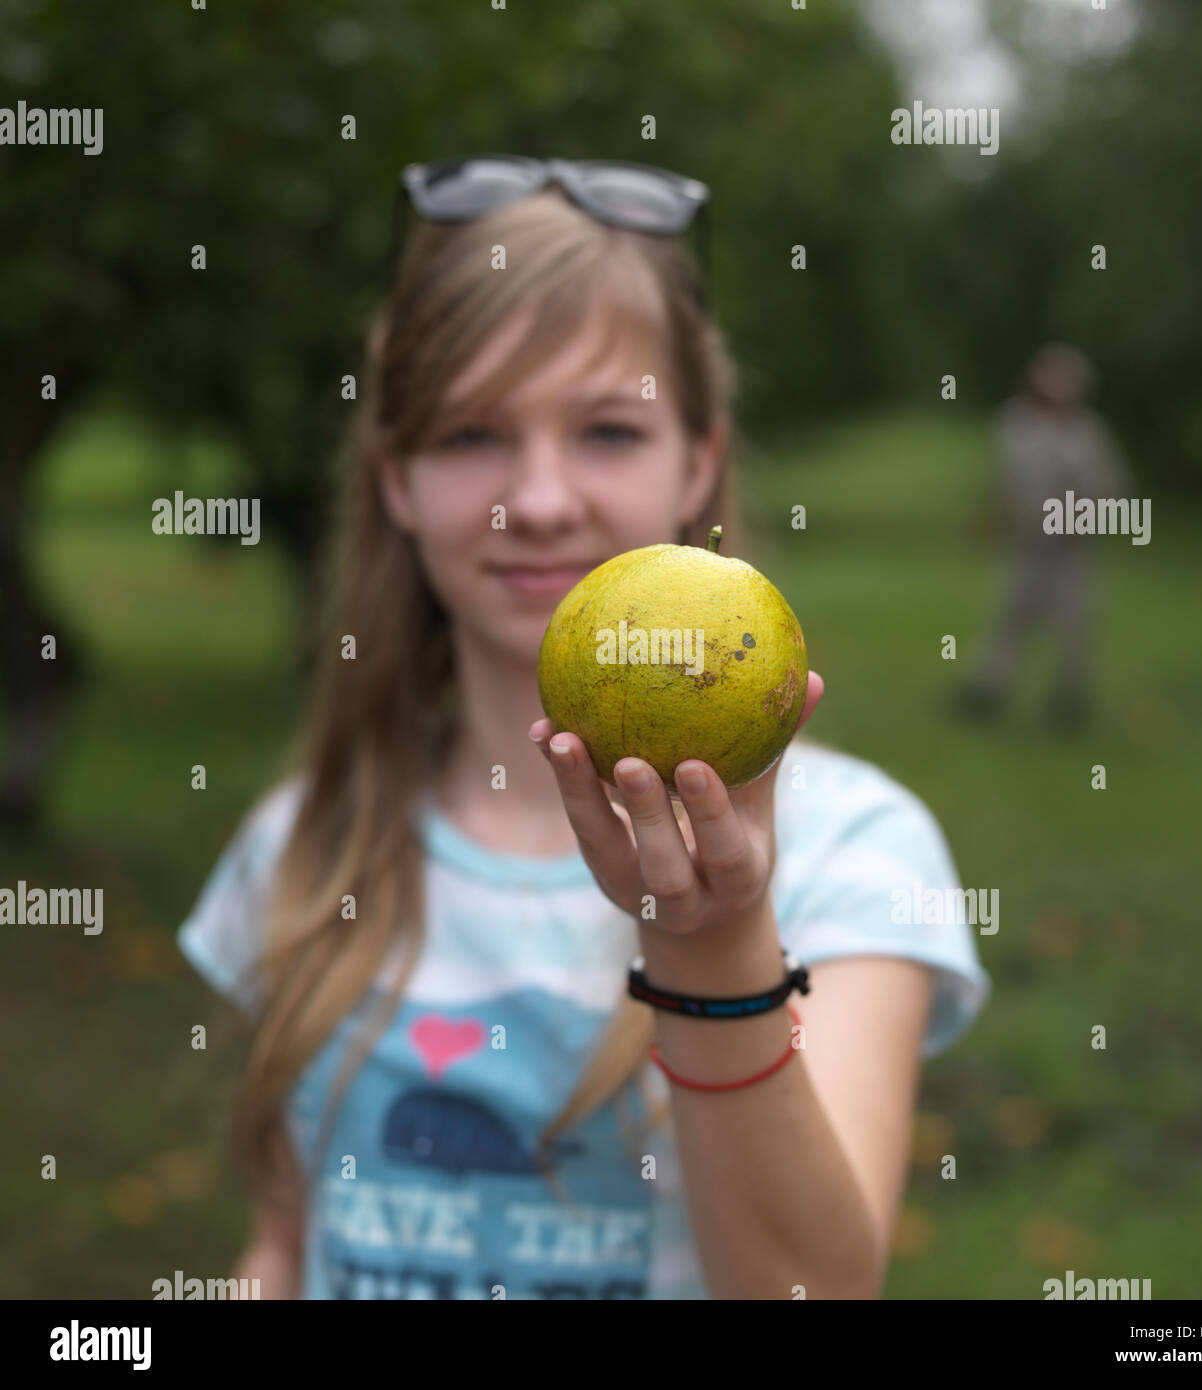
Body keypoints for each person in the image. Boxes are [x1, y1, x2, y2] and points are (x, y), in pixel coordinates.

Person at [177, 156, 991, 1300]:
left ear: (696, 464)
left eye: (608, 430)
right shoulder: (307, 843)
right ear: (396, 481)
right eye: (470, 436)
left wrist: (715, 950)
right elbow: (282, 1247)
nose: (542, 498)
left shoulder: (853, 854)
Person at [958, 343, 1129, 730]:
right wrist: (994, 519)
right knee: (1010, 617)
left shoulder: (1087, 435)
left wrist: (1070, 516)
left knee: (1075, 623)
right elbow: (1002, 481)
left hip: (1069, 550)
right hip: (1026, 547)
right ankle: (988, 689)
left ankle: (1070, 699)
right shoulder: (1014, 423)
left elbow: (1109, 489)